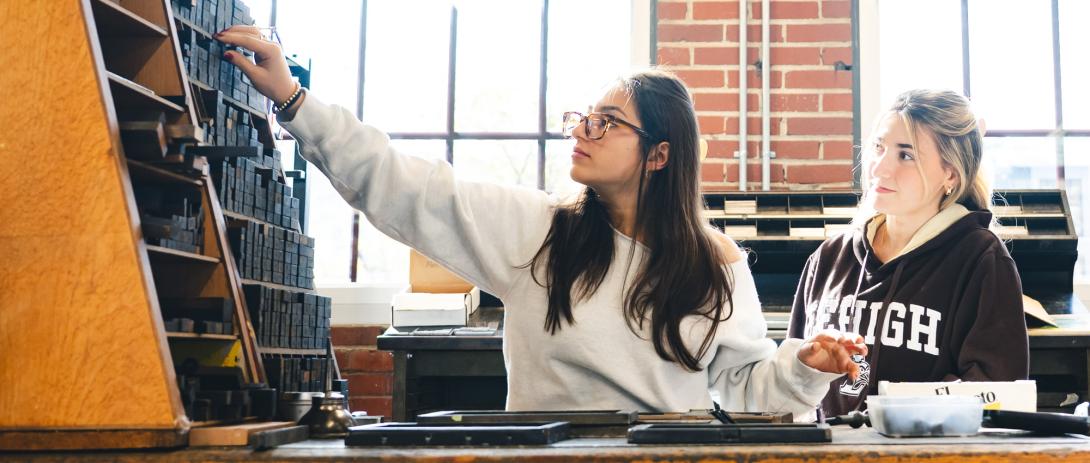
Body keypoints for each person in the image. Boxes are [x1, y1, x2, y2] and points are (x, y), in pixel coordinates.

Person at [217, 25, 865, 414]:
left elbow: (747, 385)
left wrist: (808, 363)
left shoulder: (716, 264)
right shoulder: (539, 233)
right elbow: (402, 185)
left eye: (607, 123)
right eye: (585, 117)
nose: (583, 131)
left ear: (660, 155)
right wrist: (295, 101)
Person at [788, 89, 1029, 418]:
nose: (879, 169)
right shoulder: (829, 259)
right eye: (878, 148)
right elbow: (788, 390)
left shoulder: (982, 260)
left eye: (906, 155)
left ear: (951, 173)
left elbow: (994, 395)